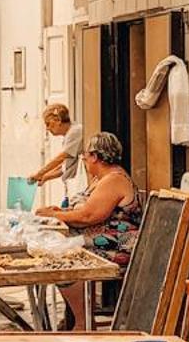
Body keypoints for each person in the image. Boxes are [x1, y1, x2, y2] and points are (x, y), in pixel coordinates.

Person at [42, 130, 140, 329]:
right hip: (101, 236)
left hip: (121, 243)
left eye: (85, 156)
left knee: (64, 259)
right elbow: (83, 212)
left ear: (95, 156)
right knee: (57, 250)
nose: (84, 161)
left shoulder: (115, 179)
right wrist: (61, 211)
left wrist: (54, 215)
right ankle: (78, 319)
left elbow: (89, 216)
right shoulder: (101, 179)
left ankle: (82, 322)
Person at [25, 103, 83, 202]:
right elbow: (64, 166)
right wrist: (45, 177)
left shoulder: (75, 132)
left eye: (48, 124)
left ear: (58, 120)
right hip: (71, 187)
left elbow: (61, 158)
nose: (47, 128)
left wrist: (39, 173)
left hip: (79, 187)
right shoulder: (69, 135)